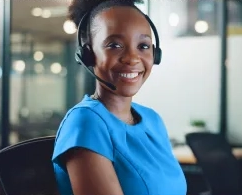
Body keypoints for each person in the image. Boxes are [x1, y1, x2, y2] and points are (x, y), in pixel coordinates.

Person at [51, 0, 187, 194]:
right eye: (114, 45)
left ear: (155, 54)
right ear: (88, 54)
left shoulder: (153, 120)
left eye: (143, 46)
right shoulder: (86, 123)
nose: (132, 58)